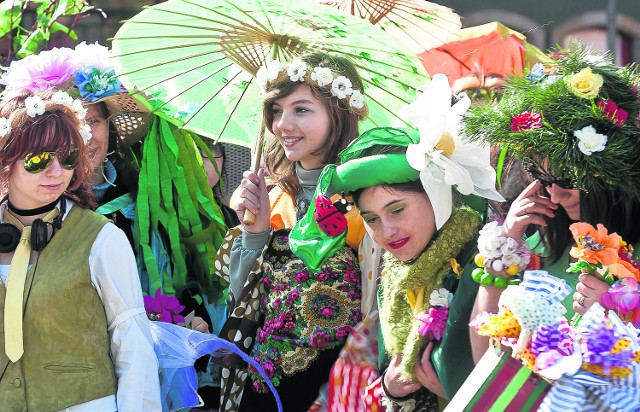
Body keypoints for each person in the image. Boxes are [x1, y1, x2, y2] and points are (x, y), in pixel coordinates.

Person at [304, 74, 504, 410]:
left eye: (397, 209)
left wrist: (459, 394)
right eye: (371, 219)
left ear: (438, 196)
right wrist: (392, 389)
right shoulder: (394, 277)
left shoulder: (490, 261)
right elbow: (388, 369)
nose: (387, 231)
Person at [462, 46, 640, 362]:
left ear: (612, 176)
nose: (555, 196)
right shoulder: (537, 242)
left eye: (567, 180)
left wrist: (619, 319)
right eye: (542, 178)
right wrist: (504, 246)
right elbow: (483, 361)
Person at [214, 52, 369, 411]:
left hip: (336, 387)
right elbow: (245, 304)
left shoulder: (367, 197)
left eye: (301, 109)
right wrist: (254, 232)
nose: (283, 124)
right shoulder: (274, 196)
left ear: (339, 113)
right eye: (276, 110)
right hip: (266, 384)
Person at [0, 89, 161, 410]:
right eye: (38, 159)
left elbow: (133, 345)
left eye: (69, 157)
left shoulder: (103, 239)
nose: (57, 171)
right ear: (6, 159)